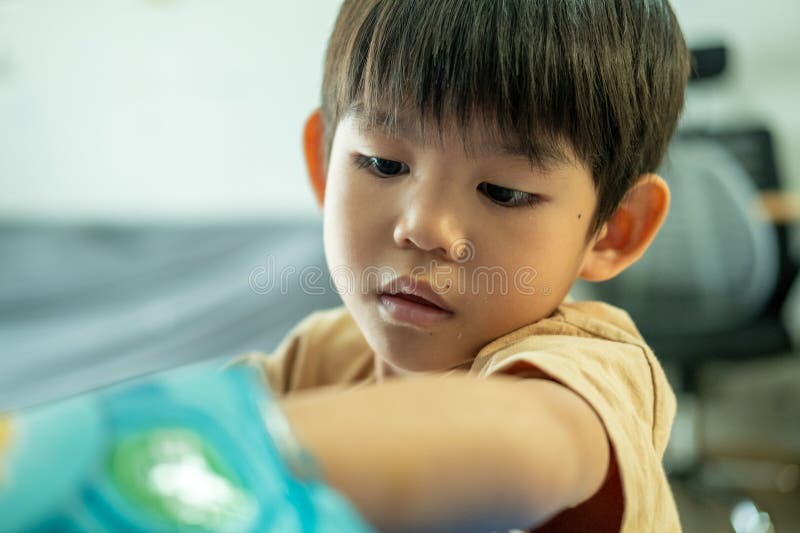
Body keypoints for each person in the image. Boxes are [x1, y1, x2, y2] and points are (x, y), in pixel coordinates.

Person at [236, 1, 691, 531]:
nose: (423, 228)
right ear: (323, 163)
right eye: (384, 163)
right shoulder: (319, 358)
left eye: (502, 191)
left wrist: (229, 451)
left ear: (614, 230)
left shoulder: (591, 370)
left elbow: (529, 438)